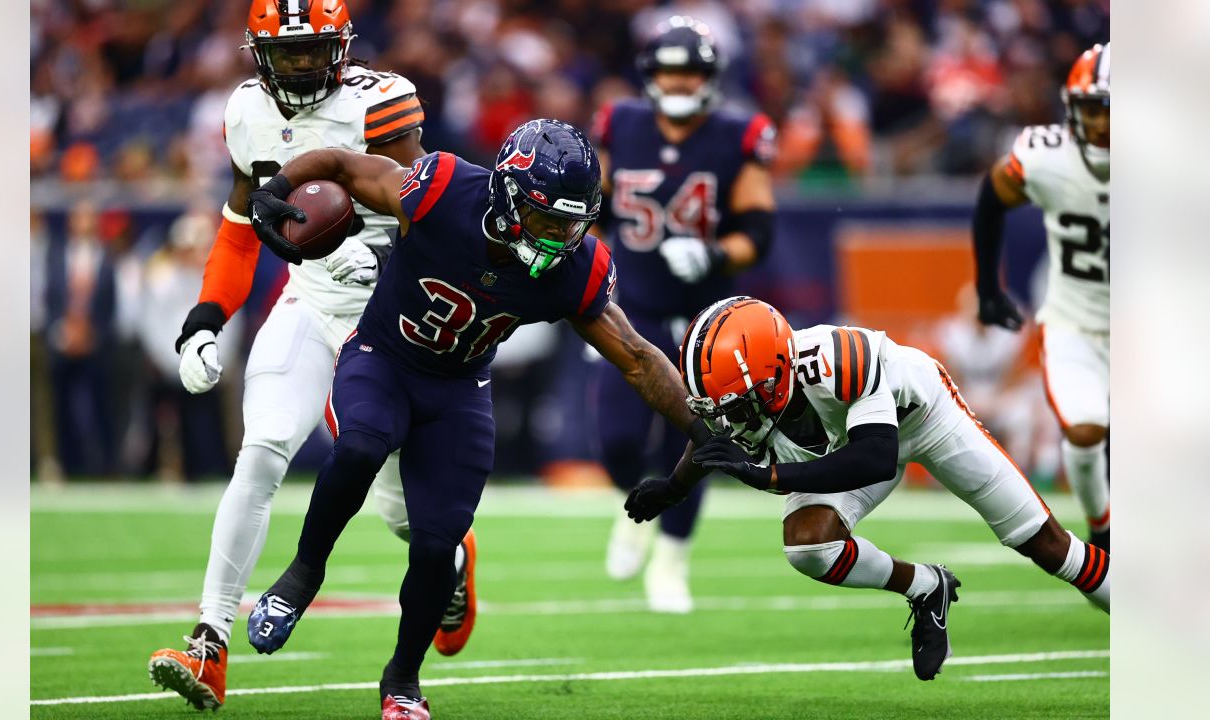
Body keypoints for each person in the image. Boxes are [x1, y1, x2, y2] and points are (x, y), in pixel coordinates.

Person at [242, 119, 710, 720]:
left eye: (574, 221)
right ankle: (302, 576)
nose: (562, 236)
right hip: (383, 357)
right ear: (512, 196)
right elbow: (339, 164)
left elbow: (640, 360)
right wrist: (276, 186)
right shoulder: (441, 189)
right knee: (359, 448)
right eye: (549, 220)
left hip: (458, 390)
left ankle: (402, 681)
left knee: (437, 546)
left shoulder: (570, 268)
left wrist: (702, 430)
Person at [148, 1, 479, 712]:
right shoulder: (243, 111)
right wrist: (205, 319)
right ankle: (209, 642)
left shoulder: (381, 104)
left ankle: (452, 559)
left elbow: (429, 208)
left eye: (314, 49)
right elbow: (239, 230)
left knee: (404, 514)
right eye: (288, 51)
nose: (302, 63)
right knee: (261, 448)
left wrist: (384, 250)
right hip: (309, 303)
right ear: (258, 53)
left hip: (391, 321)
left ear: (342, 47)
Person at [626, 297, 1111, 682]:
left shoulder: (838, 361)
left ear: (775, 376)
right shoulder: (758, 390)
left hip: (922, 420)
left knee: (1047, 545)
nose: (728, 416)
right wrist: (672, 489)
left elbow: (874, 457)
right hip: (848, 443)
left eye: (737, 402)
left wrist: (772, 477)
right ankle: (926, 586)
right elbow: (713, 439)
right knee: (809, 546)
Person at [590, 15, 776, 613]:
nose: (678, 82)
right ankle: (638, 510)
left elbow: (759, 229)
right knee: (617, 440)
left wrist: (717, 251)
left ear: (711, 77)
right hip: (631, 305)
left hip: (709, 317)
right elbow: (589, 209)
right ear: (651, 77)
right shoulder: (620, 123)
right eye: (669, 71)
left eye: (689, 71)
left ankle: (671, 560)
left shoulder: (738, 133)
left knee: (695, 439)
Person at [971, 43, 1111, 551]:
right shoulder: (1046, 155)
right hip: (1075, 322)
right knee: (1085, 430)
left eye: (1114, 112)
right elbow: (991, 198)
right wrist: (988, 287)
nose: (1101, 124)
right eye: (1093, 108)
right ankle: (1105, 531)